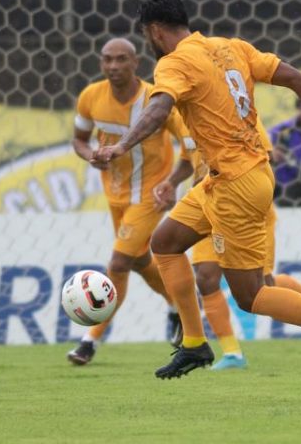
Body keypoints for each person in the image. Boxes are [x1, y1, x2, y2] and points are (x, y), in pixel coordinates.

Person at [94, 0, 301, 379]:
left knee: (252, 295)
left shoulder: (174, 63)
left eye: (146, 35)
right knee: (165, 243)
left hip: (236, 186)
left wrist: (121, 145)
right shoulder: (230, 47)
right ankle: (194, 345)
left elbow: (159, 109)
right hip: (231, 178)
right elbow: (296, 77)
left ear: (155, 32)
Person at [153, 120, 301, 371]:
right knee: (206, 278)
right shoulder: (184, 116)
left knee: (263, 287)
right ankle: (232, 353)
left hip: (244, 209)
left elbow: (264, 157)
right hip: (205, 206)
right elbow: (188, 158)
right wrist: (172, 183)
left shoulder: (234, 113)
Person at [65, 38, 185, 365]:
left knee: (118, 263)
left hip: (150, 195)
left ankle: (90, 339)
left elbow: (190, 148)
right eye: (107, 60)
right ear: (101, 63)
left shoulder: (155, 100)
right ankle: (180, 309)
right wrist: (91, 155)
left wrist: (172, 182)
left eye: (121, 60)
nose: (113, 66)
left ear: (135, 62)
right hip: (114, 194)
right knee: (139, 261)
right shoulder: (91, 97)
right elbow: (79, 139)